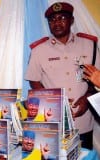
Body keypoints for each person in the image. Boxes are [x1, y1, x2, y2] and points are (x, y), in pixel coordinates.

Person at [25, 2, 100, 149]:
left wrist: (87, 99)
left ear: (71, 20)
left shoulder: (89, 45)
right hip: (55, 120)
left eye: (62, 18)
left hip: (82, 119)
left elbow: (97, 78)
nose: (57, 23)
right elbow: (34, 81)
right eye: (52, 20)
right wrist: (54, 102)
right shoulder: (38, 50)